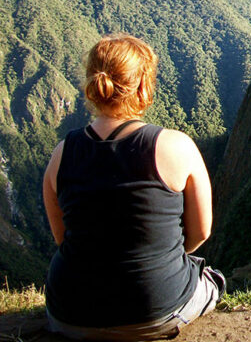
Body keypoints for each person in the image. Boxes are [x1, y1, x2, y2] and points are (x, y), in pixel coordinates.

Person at [42, 34, 225, 340]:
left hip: (69, 313)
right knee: (212, 279)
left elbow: (64, 239)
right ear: (143, 86)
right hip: (155, 310)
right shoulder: (176, 146)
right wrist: (161, 257)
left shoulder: (61, 154)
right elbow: (201, 232)